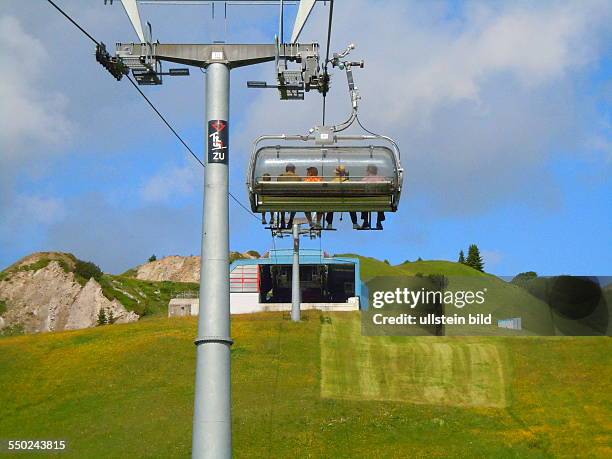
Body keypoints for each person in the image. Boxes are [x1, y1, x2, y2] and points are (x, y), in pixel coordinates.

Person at [360, 164, 386, 230]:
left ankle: (365, 221)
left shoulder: (364, 179)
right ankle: (379, 222)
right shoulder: (381, 179)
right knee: (381, 204)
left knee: (364, 203)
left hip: (367, 201)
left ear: (368, 171)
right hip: (379, 201)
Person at [325, 165, 349, 229]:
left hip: (334, 203)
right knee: (351, 206)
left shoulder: (332, 182)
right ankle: (355, 222)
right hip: (345, 203)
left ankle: (329, 223)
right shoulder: (347, 182)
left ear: (336, 173)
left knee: (331, 204)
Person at [277, 164, 300, 229]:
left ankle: (282, 218)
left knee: (282, 201)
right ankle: (291, 220)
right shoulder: (297, 177)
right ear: (293, 170)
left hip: (282, 199)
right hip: (293, 200)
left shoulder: (280, 177)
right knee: (295, 202)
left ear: (286, 169)